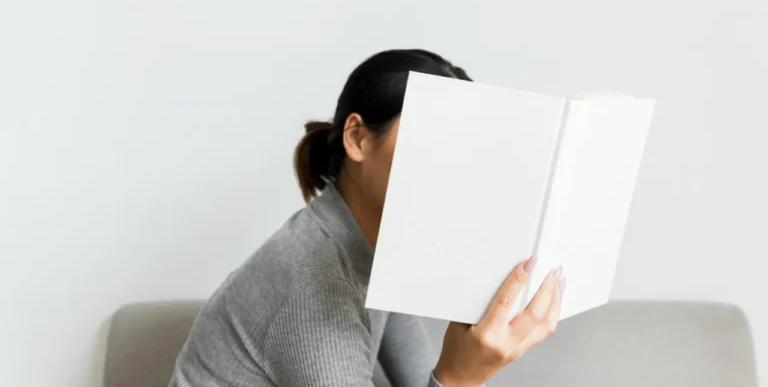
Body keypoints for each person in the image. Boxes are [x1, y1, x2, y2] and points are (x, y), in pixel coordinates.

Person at [170, 49, 565, 387]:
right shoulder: (315, 282)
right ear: (357, 138)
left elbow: (415, 378)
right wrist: (460, 377)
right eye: (428, 135)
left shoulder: (382, 252)